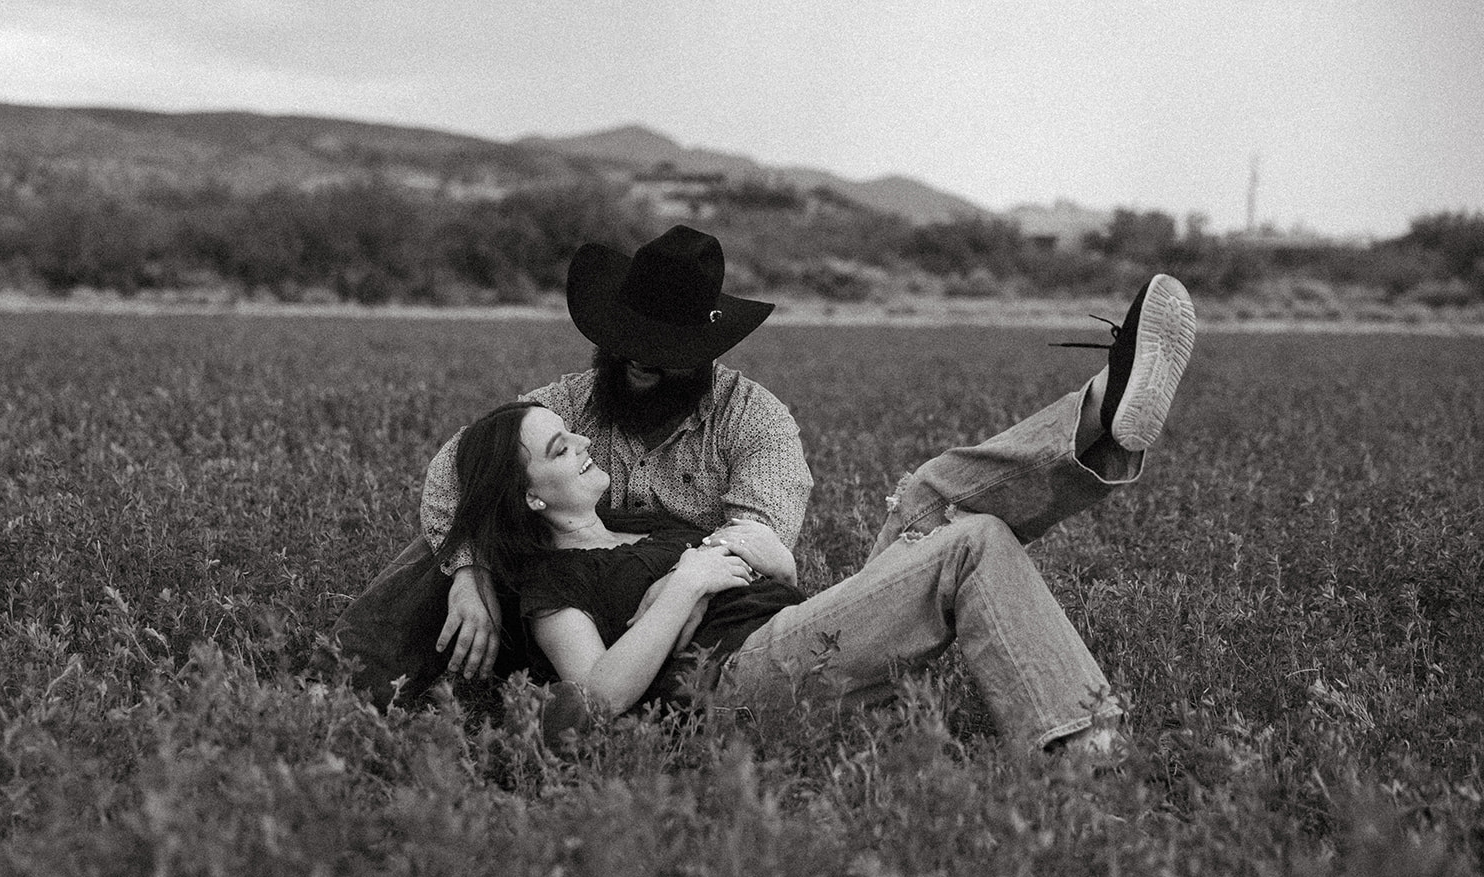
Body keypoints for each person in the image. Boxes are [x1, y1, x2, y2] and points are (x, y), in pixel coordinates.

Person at [443, 274, 1197, 756]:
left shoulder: (719, 452)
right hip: (738, 685)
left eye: (569, 431)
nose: (574, 434)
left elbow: (772, 552)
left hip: (797, 637)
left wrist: (733, 556)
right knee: (973, 543)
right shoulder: (554, 578)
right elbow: (591, 705)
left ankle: (1098, 410)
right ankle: (1085, 751)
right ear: (532, 496)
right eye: (555, 446)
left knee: (929, 499)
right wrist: (685, 585)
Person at [332, 225, 814, 704]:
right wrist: (469, 572)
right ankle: (352, 677)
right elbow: (459, 464)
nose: (639, 358)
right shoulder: (570, 401)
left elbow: (762, 535)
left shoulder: (755, 418)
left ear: (704, 353)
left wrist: (689, 579)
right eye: (627, 339)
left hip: (695, 609)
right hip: (572, 600)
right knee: (460, 531)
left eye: (661, 348)